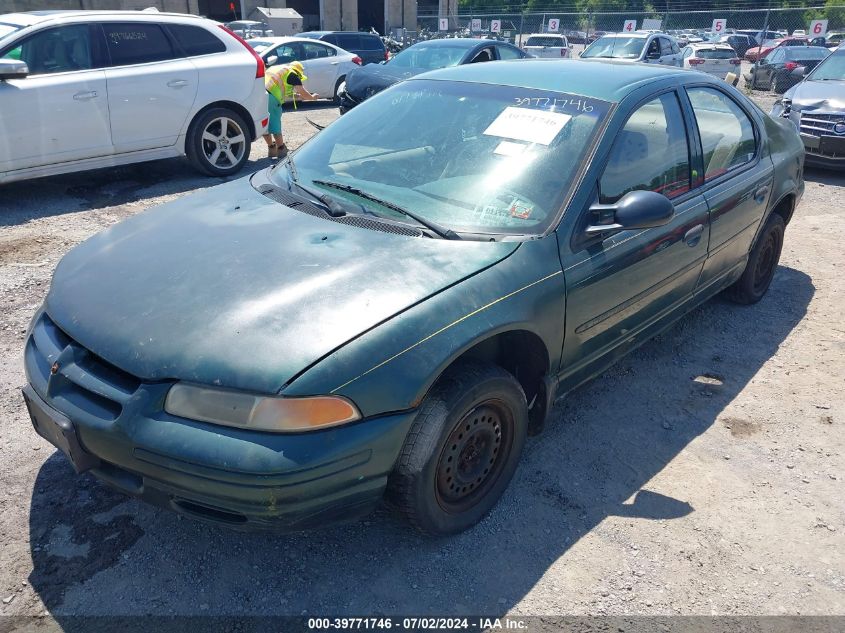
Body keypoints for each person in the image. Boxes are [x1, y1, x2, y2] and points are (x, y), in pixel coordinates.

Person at [264, 60, 319, 160]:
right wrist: (312, 97)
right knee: (275, 123)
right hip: (272, 98)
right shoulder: (293, 74)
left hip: (260, 94)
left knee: (264, 123)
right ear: (298, 72)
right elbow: (303, 92)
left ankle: (271, 148)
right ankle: (281, 149)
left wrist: (298, 96)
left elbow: (285, 92)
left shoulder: (279, 70)